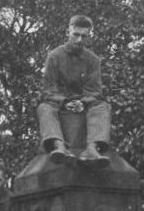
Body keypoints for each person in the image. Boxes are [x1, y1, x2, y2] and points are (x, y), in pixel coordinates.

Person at [37, 14, 112, 167]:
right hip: (59, 103)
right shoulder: (54, 56)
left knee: (103, 107)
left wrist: (83, 102)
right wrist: (64, 102)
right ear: (68, 32)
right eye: (76, 35)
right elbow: (48, 89)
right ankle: (59, 146)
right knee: (44, 108)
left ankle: (91, 148)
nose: (79, 40)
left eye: (84, 36)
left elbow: (95, 91)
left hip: (83, 103)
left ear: (88, 37)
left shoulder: (93, 60)